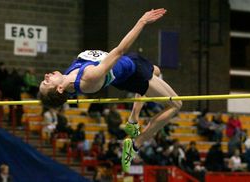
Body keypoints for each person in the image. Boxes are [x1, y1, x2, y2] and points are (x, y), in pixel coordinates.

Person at [38, 8, 182, 172]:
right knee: (176, 104)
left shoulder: (69, 75)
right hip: (133, 72)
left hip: (129, 66)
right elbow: (119, 50)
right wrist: (142, 21)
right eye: (46, 82)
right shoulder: (88, 77)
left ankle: (133, 120)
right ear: (60, 88)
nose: (46, 76)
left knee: (156, 70)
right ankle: (136, 144)